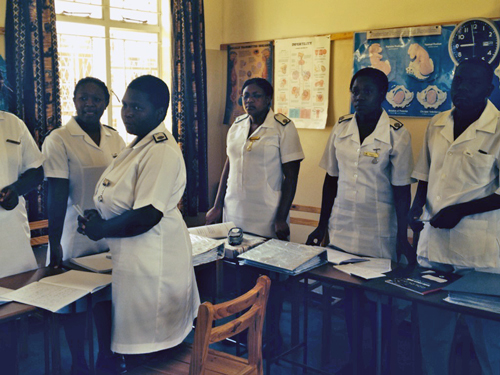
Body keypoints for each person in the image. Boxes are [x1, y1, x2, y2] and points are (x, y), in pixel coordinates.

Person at [78, 75, 200, 366]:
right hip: (134, 257)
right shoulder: (137, 146)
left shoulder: (161, 150)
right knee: (136, 346)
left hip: (153, 262)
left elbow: (148, 214)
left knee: (150, 351)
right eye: (126, 105)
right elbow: (121, 196)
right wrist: (100, 215)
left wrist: (101, 230)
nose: (128, 113)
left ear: (159, 113)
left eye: (137, 108)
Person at [409, 59, 500, 375]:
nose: (461, 89)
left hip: (478, 254)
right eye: (458, 80)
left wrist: (459, 210)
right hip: (434, 246)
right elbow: (425, 173)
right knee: (433, 332)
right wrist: (416, 206)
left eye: (472, 83)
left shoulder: (498, 128)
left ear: (489, 89)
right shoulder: (436, 123)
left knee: (489, 338)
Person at [42, 77, 125, 374]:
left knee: (107, 298)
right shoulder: (59, 139)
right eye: (83, 98)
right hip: (73, 233)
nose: (90, 104)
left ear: (105, 103)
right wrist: (54, 243)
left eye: (96, 99)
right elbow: (56, 193)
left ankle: (107, 354)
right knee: (75, 301)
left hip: (108, 230)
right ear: (74, 100)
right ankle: (78, 361)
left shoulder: (115, 137)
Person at [307, 67, 414, 263]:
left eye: (367, 92)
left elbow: (402, 190)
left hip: (377, 229)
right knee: (338, 283)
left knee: (374, 287)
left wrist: (402, 237)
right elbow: (331, 180)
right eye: (355, 91)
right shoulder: (341, 128)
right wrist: (321, 225)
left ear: (382, 94)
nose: (359, 97)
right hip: (341, 224)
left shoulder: (396, 134)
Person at [206, 77, 304, 240]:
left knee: (266, 261)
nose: (249, 100)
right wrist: (217, 206)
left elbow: (292, 177)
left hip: (267, 214)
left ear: (268, 99)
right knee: (232, 259)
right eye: (245, 96)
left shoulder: (282, 127)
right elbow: (229, 165)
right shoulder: (237, 125)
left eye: (256, 96)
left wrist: (281, 217)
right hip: (234, 210)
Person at [0, 111, 43, 278]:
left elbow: (37, 170)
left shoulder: (14, 124)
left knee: (20, 295)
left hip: (13, 233)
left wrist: (17, 189)